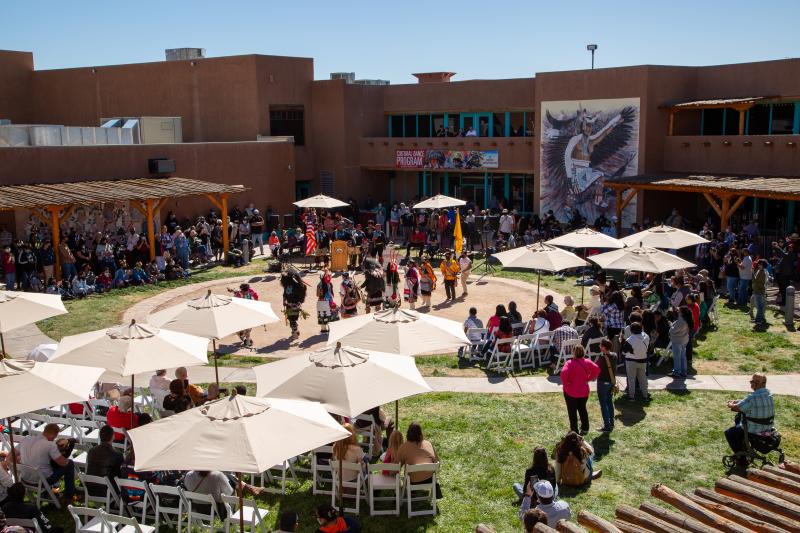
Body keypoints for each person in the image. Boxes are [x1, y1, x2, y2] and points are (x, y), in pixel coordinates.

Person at [17, 423, 76, 502]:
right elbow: (63, 463)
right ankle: (69, 495)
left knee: (46, 465)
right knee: (70, 464)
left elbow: (10, 456)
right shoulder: (49, 445)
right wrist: (68, 443)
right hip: (40, 482)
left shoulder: (26, 439)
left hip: (24, 479)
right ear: (54, 435)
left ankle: (46, 493)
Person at [725, 373, 775, 457]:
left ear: (759, 384)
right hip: (767, 427)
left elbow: (736, 408)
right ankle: (743, 442)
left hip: (754, 429)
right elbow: (746, 402)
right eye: (751, 380)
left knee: (729, 432)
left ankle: (741, 458)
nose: (751, 382)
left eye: (754, 381)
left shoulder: (752, 398)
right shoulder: (769, 394)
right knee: (739, 418)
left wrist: (730, 404)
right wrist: (738, 401)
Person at [559, 345, 600, 435]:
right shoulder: (587, 362)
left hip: (571, 392)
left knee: (572, 412)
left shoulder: (569, 363)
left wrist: (566, 384)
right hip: (584, 392)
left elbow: (563, 374)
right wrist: (589, 379)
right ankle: (585, 428)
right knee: (582, 409)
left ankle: (574, 430)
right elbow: (597, 369)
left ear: (573, 353)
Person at [395, 422, 439, 487]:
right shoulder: (428, 444)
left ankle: (411, 492)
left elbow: (397, 466)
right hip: (430, 480)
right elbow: (437, 462)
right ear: (420, 433)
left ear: (408, 433)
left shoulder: (404, 447)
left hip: (412, 481)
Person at [85, 425, 124, 497]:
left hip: (91, 488)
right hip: (107, 490)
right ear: (113, 436)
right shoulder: (117, 455)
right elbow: (120, 475)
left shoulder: (91, 451)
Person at [621, 322, 650, 402]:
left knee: (631, 379)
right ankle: (645, 396)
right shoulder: (646, 336)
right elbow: (648, 348)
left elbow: (624, 352)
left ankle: (631, 397)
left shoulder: (629, 340)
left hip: (631, 361)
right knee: (643, 379)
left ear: (631, 330)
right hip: (643, 360)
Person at [596, 339, 618, 432]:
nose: (599, 347)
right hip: (611, 382)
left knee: (603, 404)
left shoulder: (601, 358)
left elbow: (595, 369)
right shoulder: (614, 355)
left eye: (600, 345)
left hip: (602, 383)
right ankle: (611, 423)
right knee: (609, 402)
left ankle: (607, 426)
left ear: (604, 347)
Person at [669, 307, 691, 378]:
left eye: (679, 311)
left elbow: (673, 331)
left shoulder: (681, 321)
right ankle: (683, 371)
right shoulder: (687, 319)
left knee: (677, 357)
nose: (678, 311)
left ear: (682, 313)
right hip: (684, 340)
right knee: (682, 356)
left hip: (678, 340)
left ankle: (677, 372)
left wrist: (670, 325)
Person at [751, 259, 768, 325]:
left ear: (763, 265)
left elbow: (756, 281)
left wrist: (752, 273)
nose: (758, 265)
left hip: (759, 291)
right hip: (757, 291)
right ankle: (758, 319)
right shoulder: (759, 271)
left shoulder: (762, 272)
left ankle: (759, 320)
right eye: (758, 264)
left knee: (759, 307)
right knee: (759, 306)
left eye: (760, 264)